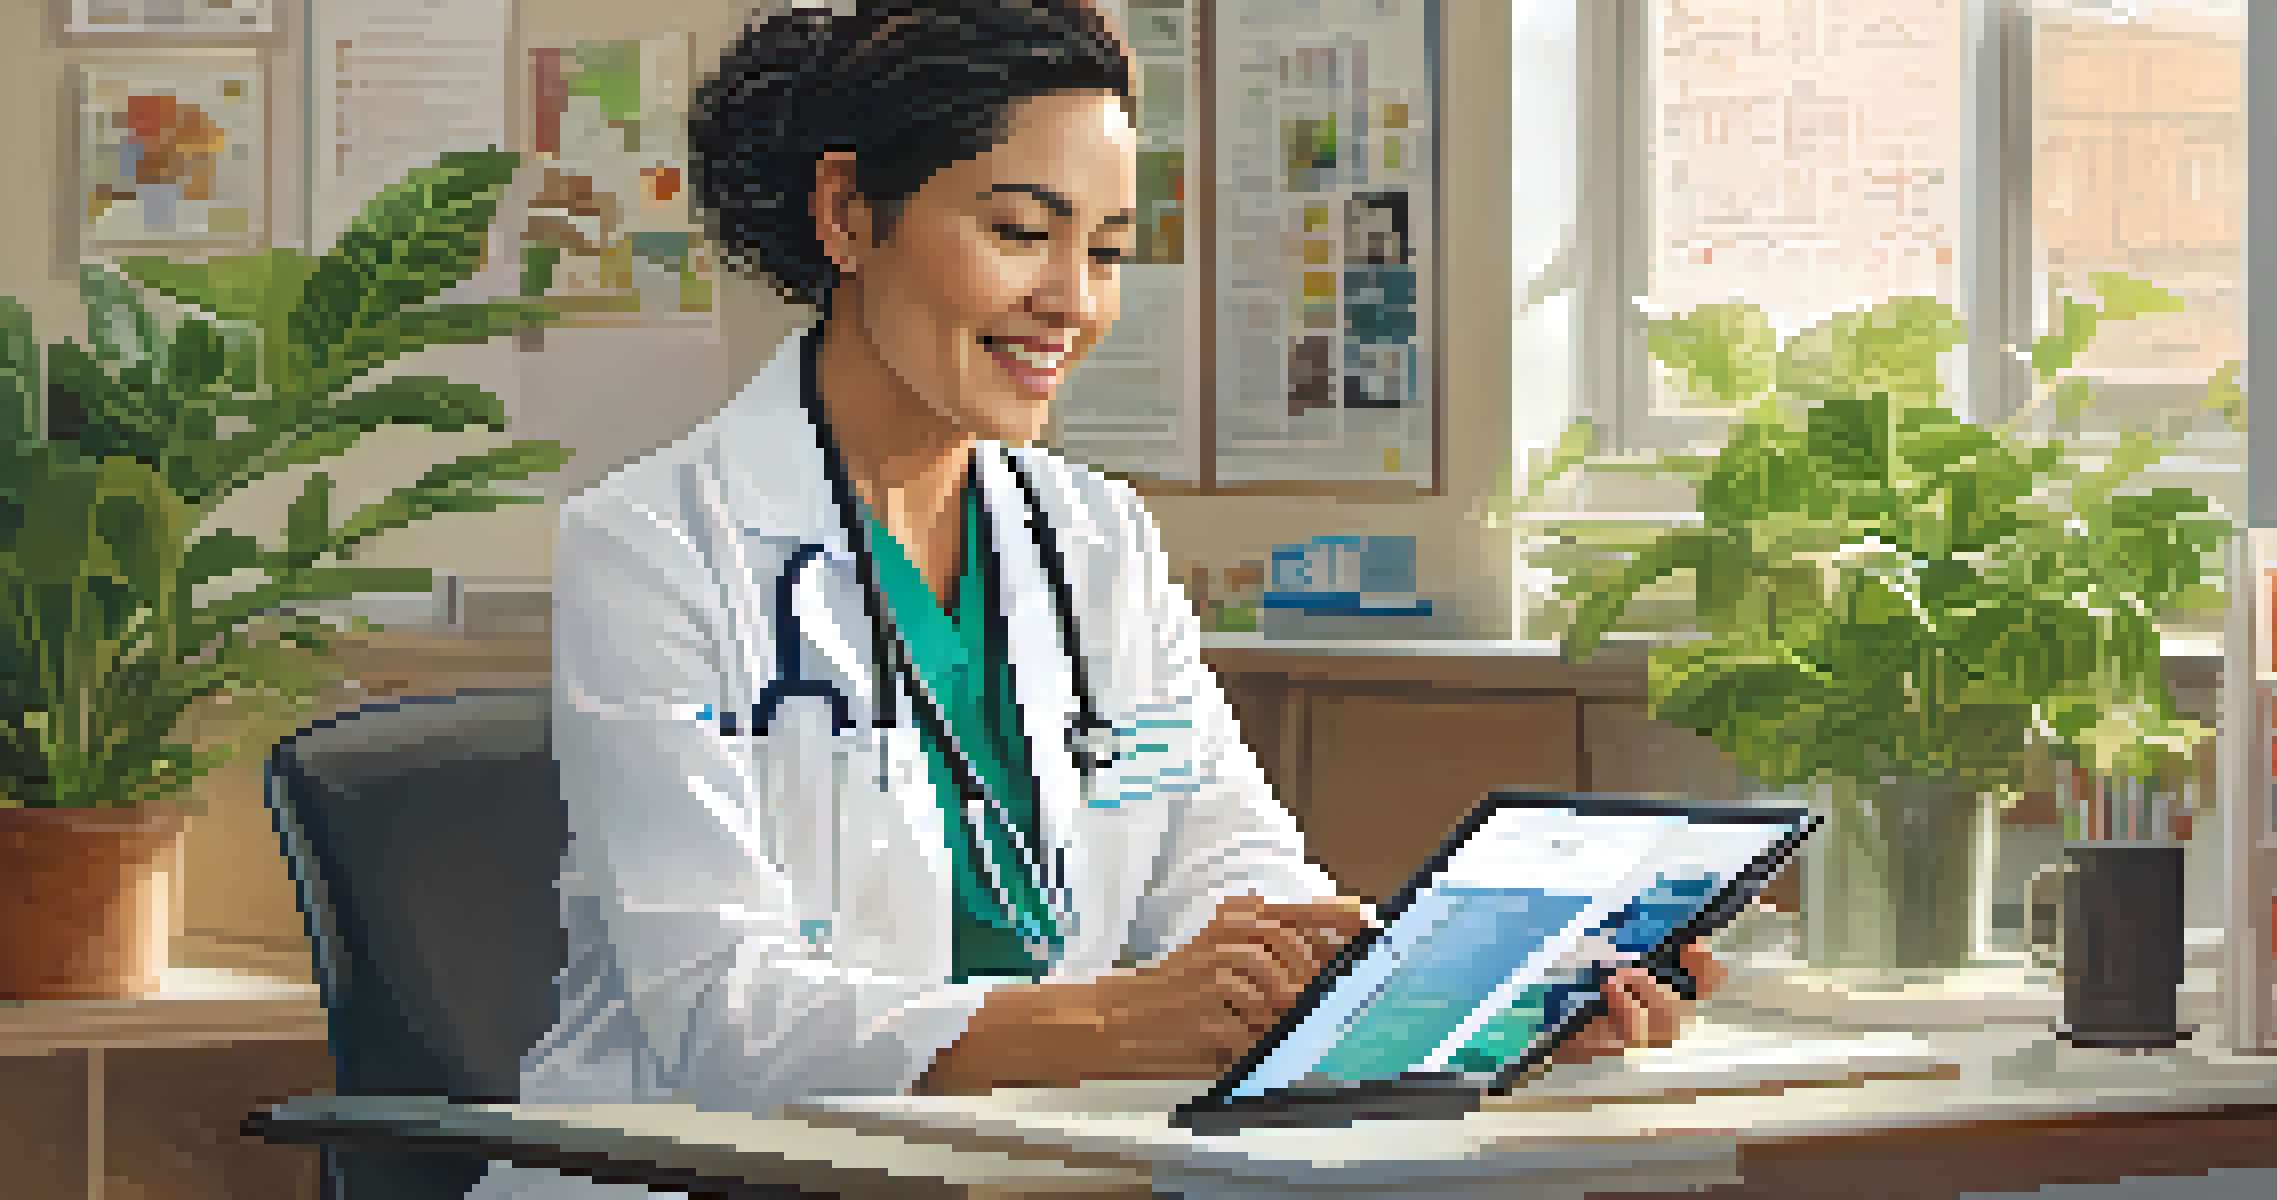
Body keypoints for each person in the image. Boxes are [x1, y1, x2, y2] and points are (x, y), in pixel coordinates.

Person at [469, 5, 1716, 1195]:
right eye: (1021, 232)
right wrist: (1118, 1016)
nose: (1074, 300)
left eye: (1109, 250)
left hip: (1021, 1164)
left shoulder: (1094, 538)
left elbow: (1233, 868)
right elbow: (720, 1013)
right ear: (848, 211)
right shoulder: (659, 545)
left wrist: (1478, 1008)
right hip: (706, 1174)